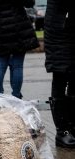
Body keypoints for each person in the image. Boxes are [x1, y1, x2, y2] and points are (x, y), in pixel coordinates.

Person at [0, 0, 39, 99]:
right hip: (19, 28)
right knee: (18, 66)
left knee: (0, 65)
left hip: (0, 30)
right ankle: (16, 96)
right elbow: (29, 3)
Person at [44, 0, 75, 147]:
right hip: (59, 30)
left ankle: (73, 126)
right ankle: (62, 130)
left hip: (69, 27)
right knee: (60, 75)